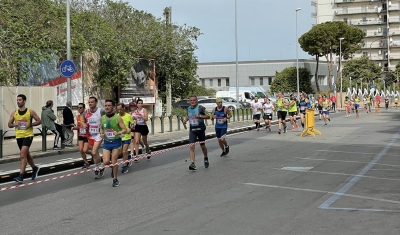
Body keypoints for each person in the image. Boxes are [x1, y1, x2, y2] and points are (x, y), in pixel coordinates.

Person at [8, 94, 41, 182]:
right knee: (26, 154)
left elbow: (39, 121)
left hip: (28, 135)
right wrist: (14, 124)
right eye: (17, 100)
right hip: (19, 136)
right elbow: (9, 124)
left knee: (22, 155)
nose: (18, 101)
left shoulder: (30, 112)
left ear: (24, 101)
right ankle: (34, 168)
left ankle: (21, 176)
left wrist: (30, 124)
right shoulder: (14, 113)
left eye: (20, 100)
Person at [100, 100, 127, 187]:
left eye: (109, 105)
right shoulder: (102, 118)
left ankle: (115, 179)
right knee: (106, 161)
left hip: (116, 142)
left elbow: (124, 129)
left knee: (114, 160)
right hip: (107, 142)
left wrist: (118, 133)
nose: (107, 107)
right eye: (106, 105)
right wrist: (101, 133)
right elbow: (100, 128)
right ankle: (114, 168)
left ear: (113, 107)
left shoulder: (118, 118)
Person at [182, 95, 210, 170]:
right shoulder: (188, 108)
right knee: (191, 146)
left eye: (194, 100)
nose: (192, 102)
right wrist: (185, 120)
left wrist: (200, 116)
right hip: (192, 130)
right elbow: (188, 116)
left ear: (197, 101)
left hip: (200, 129)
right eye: (191, 100)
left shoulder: (201, 108)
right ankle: (192, 163)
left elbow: (209, 116)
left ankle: (205, 157)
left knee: (202, 146)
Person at [85, 96, 106, 179]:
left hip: (98, 134)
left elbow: (107, 118)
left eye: (92, 102)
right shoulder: (86, 112)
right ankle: (100, 166)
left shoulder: (101, 111)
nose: (90, 103)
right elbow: (82, 120)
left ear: (96, 102)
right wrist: (83, 124)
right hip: (90, 135)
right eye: (89, 102)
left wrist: (103, 129)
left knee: (93, 152)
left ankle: (97, 169)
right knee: (95, 153)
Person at [71, 103, 91, 169]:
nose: (79, 109)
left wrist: (86, 126)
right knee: (81, 150)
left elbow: (90, 125)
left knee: (85, 150)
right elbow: (79, 126)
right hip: (80, 135)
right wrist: (74, 128)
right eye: (78, 107)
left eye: (81, 107)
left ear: (84, 108)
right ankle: (86, 162)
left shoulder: (87, 116)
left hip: (86, 135)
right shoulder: (78, 117)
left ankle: (94, 154)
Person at [116, 103, 134, 173]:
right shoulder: (116, 116)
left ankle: (125, 166)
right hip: (119, 137)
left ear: (124, 108)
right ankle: (128, 157)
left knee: (124, 151)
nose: (119, 111)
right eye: (118, 110)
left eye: (120, 109)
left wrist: (130, 128)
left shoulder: (128, 116)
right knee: (120, 153)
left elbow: (132, 124)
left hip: (127, 136)